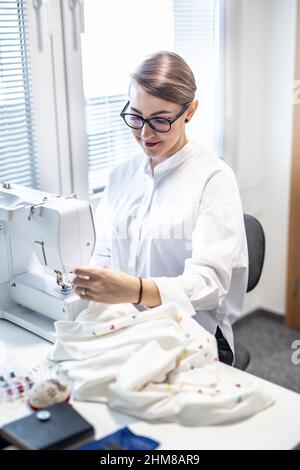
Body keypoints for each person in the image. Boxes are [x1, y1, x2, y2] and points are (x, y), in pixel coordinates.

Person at [73, 51, 248, 366]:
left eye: (161, 120)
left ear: (190, 111)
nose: (145, 133)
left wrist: (137, 290)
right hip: (128, 326)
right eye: (136, 116)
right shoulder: (120, 176)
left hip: (195, 335)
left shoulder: (213, 179)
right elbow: (104, 255)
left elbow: (209, 285)